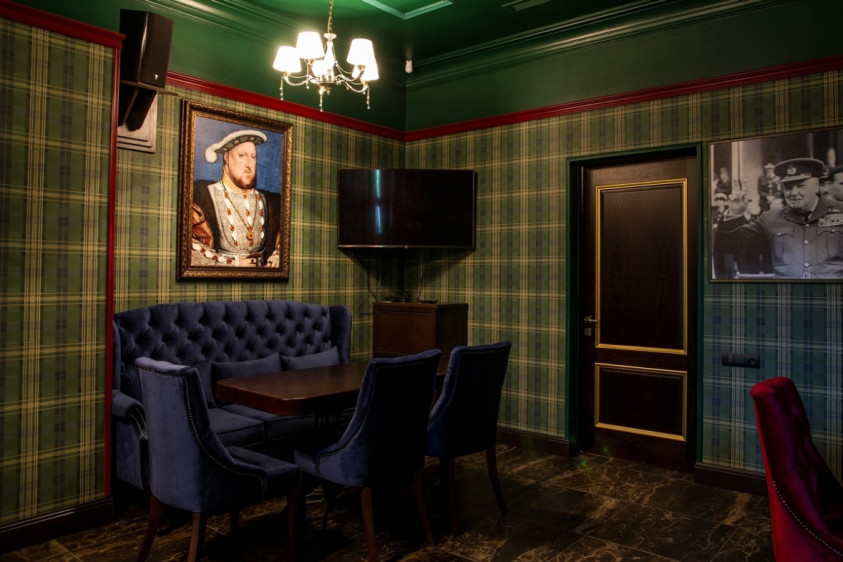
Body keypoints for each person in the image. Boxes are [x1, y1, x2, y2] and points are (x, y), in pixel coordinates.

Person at [714, 157, 843, 279]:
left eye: (801, 185)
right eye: (788, 187)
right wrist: (734, 213)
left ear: (816, 184)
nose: (793, 193)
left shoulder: (840, 211)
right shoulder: (770, 218)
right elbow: (728, 246)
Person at [190, 129, 282, 267]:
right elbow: (189, 247)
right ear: (226, 157)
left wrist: (277, 257)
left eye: (253, 157)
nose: (249, 164)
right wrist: (234, 263)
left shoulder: (271, 201)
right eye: (241, 156)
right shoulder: (201, 197)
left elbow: (285, 240)